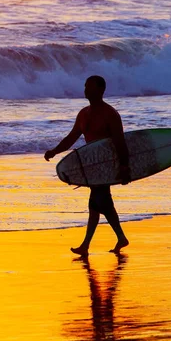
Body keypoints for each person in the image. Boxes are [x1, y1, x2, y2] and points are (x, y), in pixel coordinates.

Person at [44, 75, 131, 256]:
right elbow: (71, 138)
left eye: (89, 86)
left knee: (101, 201)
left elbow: (120, 142)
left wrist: (124, 167)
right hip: (92, 165)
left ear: (100, 90)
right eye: (85, 86)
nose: (85, 89)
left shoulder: (110, 114)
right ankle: (102, 242)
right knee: (96, 203)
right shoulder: (83, 114)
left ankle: (104, 240)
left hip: (106, 164)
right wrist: (54, 151)